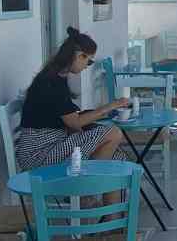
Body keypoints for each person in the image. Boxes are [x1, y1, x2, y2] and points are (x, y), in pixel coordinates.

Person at [16, 27, 129, 172]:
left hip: (55, 142)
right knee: (114, 133)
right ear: (79, 55)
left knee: (116, 158)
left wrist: (95, 121)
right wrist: (111, 106)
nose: (87, 66)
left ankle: (92, 183)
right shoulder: (50, 82)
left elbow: (69, 118)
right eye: (88, 61)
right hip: (38, 152)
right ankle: (89, 184)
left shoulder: (56, 76)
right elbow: (75, 122)